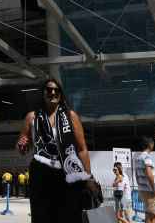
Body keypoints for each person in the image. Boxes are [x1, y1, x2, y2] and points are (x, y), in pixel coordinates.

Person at [16, 77, 97, 223]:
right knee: (43, 216)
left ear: (60, 94)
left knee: (70, 215)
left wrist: (89, 177)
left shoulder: (70, 116)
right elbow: (22, 147)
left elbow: (82, 149)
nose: (52, 93)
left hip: (68, 174)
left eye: (56, 90)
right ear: (43, 93)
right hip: (41, 174)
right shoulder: (32, 117)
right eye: (48, 90)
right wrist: (22, 145)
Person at [136, 137, 155, 223]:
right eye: (153, 143)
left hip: (142, 190)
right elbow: (149, 174)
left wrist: (140, 187)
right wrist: (153, 189)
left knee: (148, 215)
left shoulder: (138, 158)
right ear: (150, 145)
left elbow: (137, 176)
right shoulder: (146, 157)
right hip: (149, 190)